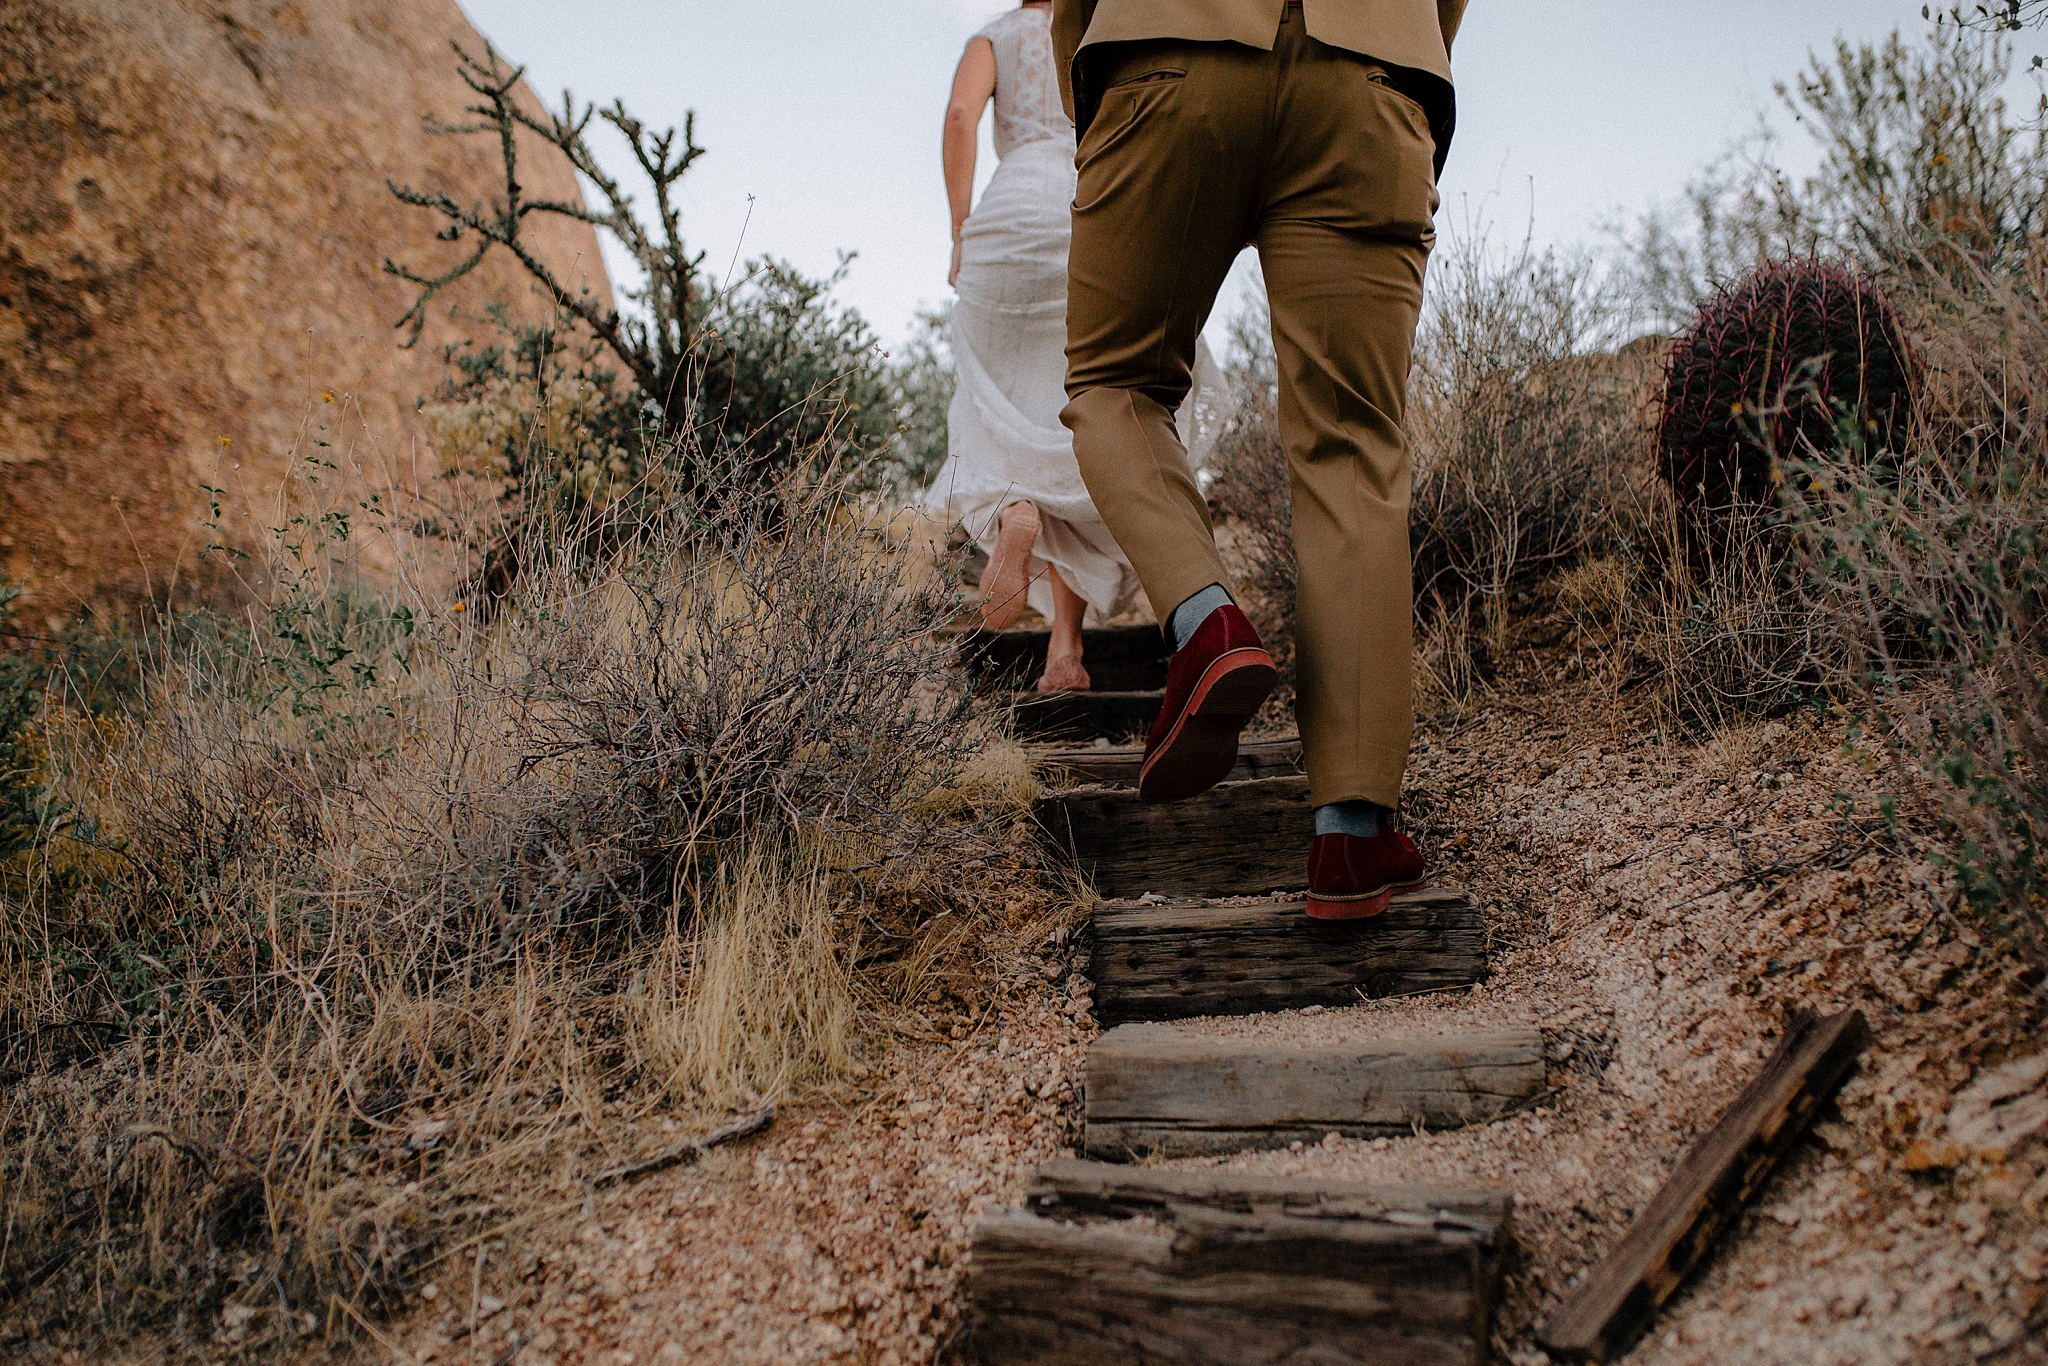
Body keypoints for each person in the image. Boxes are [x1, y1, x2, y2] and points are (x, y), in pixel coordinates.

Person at [1049, 0, 1467, 917]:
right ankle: (1353, 836)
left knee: (1116, 380)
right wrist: (1405, 58)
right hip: (1371, 80)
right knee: (1352, 447)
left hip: (1167, 53)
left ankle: (1205, 621)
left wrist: (1096, 92)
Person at [922, 0, 1229, 692]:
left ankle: (1013, 511)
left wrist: (959, 230)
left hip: (1007, 228)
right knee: (1085, 425)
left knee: (995, 407)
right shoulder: (1103, 29)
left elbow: (959, 119)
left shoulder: (994, 37)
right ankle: (1065, 649)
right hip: (1090, 216)